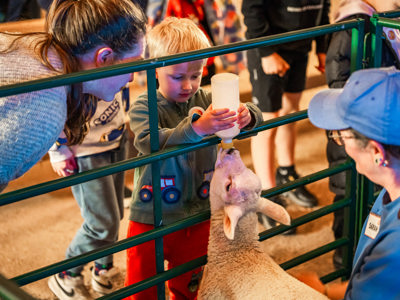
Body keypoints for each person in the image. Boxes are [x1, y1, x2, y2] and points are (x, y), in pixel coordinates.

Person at [125, 17, 263, 300]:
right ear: (156, 71)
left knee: (191, 282)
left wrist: (248, 115)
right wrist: (197, 129)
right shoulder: (144, 105)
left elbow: (241, 122)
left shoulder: (207, 99)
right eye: (178, 76)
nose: (189, 85)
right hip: (152, 213)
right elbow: (148, 140)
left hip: (199, 211)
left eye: (196, 75)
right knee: (143, 286)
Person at [0, 0, 147, 193]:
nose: (131, 78)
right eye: (133, 65)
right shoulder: (44, 110)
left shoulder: (40, 49)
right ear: (104, 58)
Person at [308, 66, 400, 299]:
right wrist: (326, 291)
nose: (340, 142)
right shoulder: (392, 185)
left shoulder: (394, 253)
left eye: (342, 135)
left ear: (377, 152)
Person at [325, 0, 400, 269]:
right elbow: (336, 70)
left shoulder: (384, 18)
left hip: (374, 128)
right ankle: (343, 260)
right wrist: (351, 119)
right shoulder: (352, 24)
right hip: (355, 127)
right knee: (347, 198)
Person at [241, 0, 330, 209]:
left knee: (290, 112)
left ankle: (286, 173)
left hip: (300, 46)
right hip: (269, 47)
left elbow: (323, 8)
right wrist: (267, 52)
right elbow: (251, 9)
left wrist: (322, 46)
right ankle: (265, 195)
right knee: (268, 122)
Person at [47, 88, 131, 299]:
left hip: (115, 138)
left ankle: (102, 268)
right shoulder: (74, 56)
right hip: (86, 151)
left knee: (115, 213)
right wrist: (57, 149)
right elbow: (51, 99)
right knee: (100, 223)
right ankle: (67, 274)